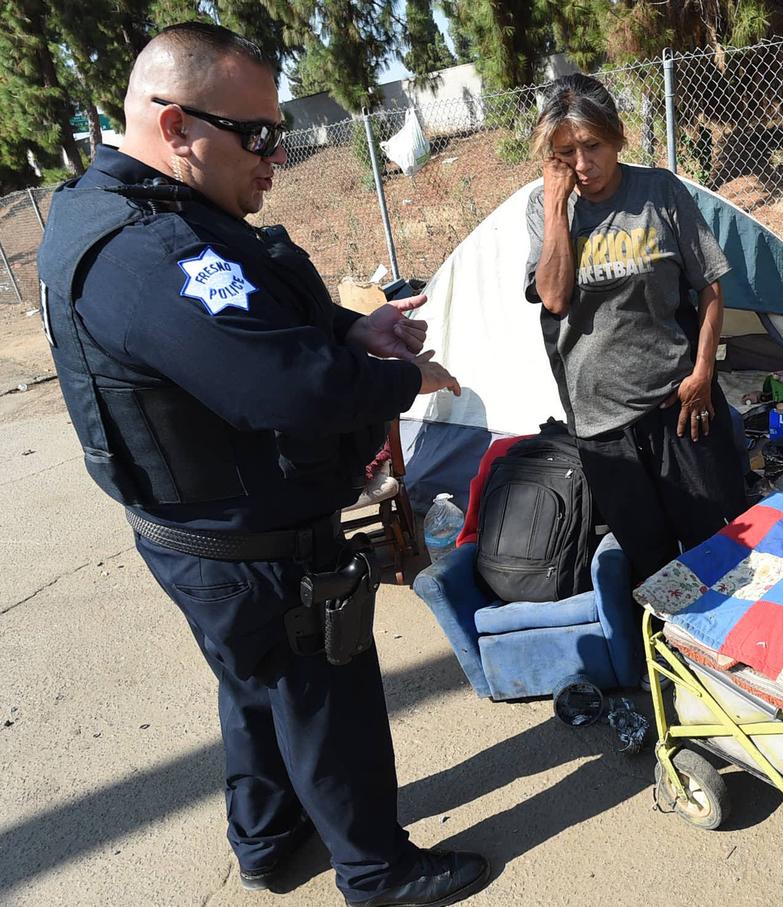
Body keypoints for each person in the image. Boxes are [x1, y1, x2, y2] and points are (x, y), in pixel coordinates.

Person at [37, 23, 490, 907]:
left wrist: (348, 327)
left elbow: (242, 318)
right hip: (253, 546)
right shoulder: (145, 250)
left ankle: (269, 840)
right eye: (257, 136)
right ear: (176, 127)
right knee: (328, 700)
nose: (276, 156)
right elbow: (291, 390)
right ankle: (378, 870)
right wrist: (398, 375)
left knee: (257, 688)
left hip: (208, 537)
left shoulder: (136, 209)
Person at [525, 74, 746, 583]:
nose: (583, 165)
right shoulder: (544, 209)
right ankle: (670, 659)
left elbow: (711, 285)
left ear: (617, 136)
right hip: (600, 423)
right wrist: (558, 206)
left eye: (592, 146)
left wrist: (702, 376)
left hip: (678, 406)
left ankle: (734, 656)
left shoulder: (659, 192)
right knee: (654, 568)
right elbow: (555, 297)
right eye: (566, 153)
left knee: (721, 551)